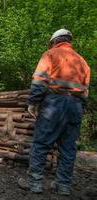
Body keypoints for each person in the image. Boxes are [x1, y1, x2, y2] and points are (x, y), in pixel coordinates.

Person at [18, 29, 91, 195]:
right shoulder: (83, 62)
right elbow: (85, 92)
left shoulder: (50, 55)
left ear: (55, 41)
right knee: (68, 148)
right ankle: (63, 186)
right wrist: (79, 107)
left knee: (42, 143)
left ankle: (34, 183)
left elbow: (39, 82)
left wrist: (33, 102)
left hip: (54, 104)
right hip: (76, 106)